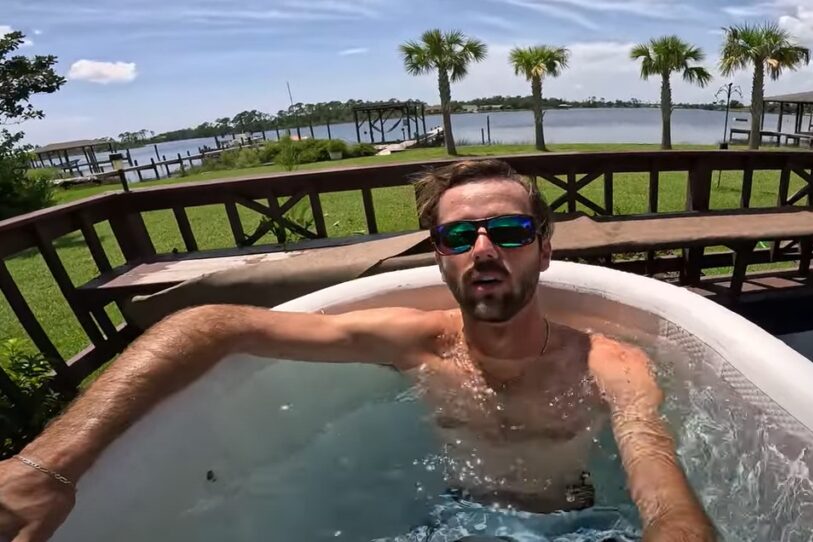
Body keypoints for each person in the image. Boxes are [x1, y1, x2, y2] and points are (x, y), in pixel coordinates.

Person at [0, 160, 714, 542]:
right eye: (459, 238)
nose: (485, 250)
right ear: (439, 257)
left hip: (580, 530)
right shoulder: (414, 343)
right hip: (454, 526)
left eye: (509, 230)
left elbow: (658, 484)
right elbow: (213, 323)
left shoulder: (608, 364)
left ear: (545, 249)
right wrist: (48, 467)